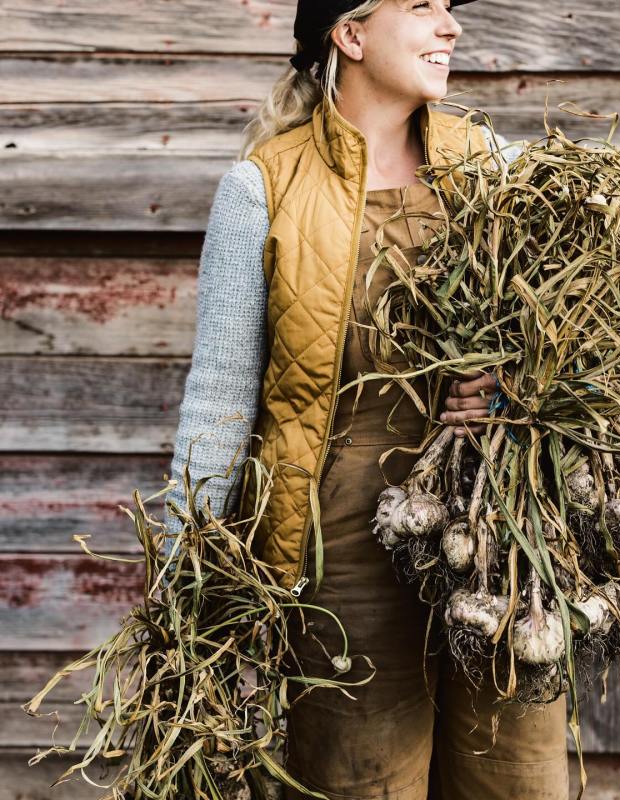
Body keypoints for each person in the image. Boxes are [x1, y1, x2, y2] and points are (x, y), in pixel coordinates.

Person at [165, 1, 570, 798]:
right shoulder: (262, 187)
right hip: (343, 552)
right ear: (349, 35)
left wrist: (512, 381)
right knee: (361, 778)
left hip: (498, 532)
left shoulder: (489, 164)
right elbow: (218, 398)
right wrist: (187, 579)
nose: (449, 26)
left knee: (514, 772)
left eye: (451, 10)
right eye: (422, 7)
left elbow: (568, 334)